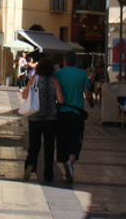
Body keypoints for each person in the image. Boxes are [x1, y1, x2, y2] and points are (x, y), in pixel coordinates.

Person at [53, 52, 94, 183]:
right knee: (75, 140)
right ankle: (70, 163)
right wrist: (91, 104)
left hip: (61, 113)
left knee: (62, 140)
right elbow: (88, 94)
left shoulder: (58, 74)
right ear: (76, 62)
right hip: (76, 113)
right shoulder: (82, 74)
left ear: (64, 61)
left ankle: (66, 166)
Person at [21, 58, 64, 182]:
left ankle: (30, 164)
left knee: (34, 144)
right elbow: (61, 100)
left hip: (35, 117)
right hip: (51, 118)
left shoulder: (34, 79)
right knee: (49, 146)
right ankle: (48, 173)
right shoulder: (54, 81)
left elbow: (25, 95)